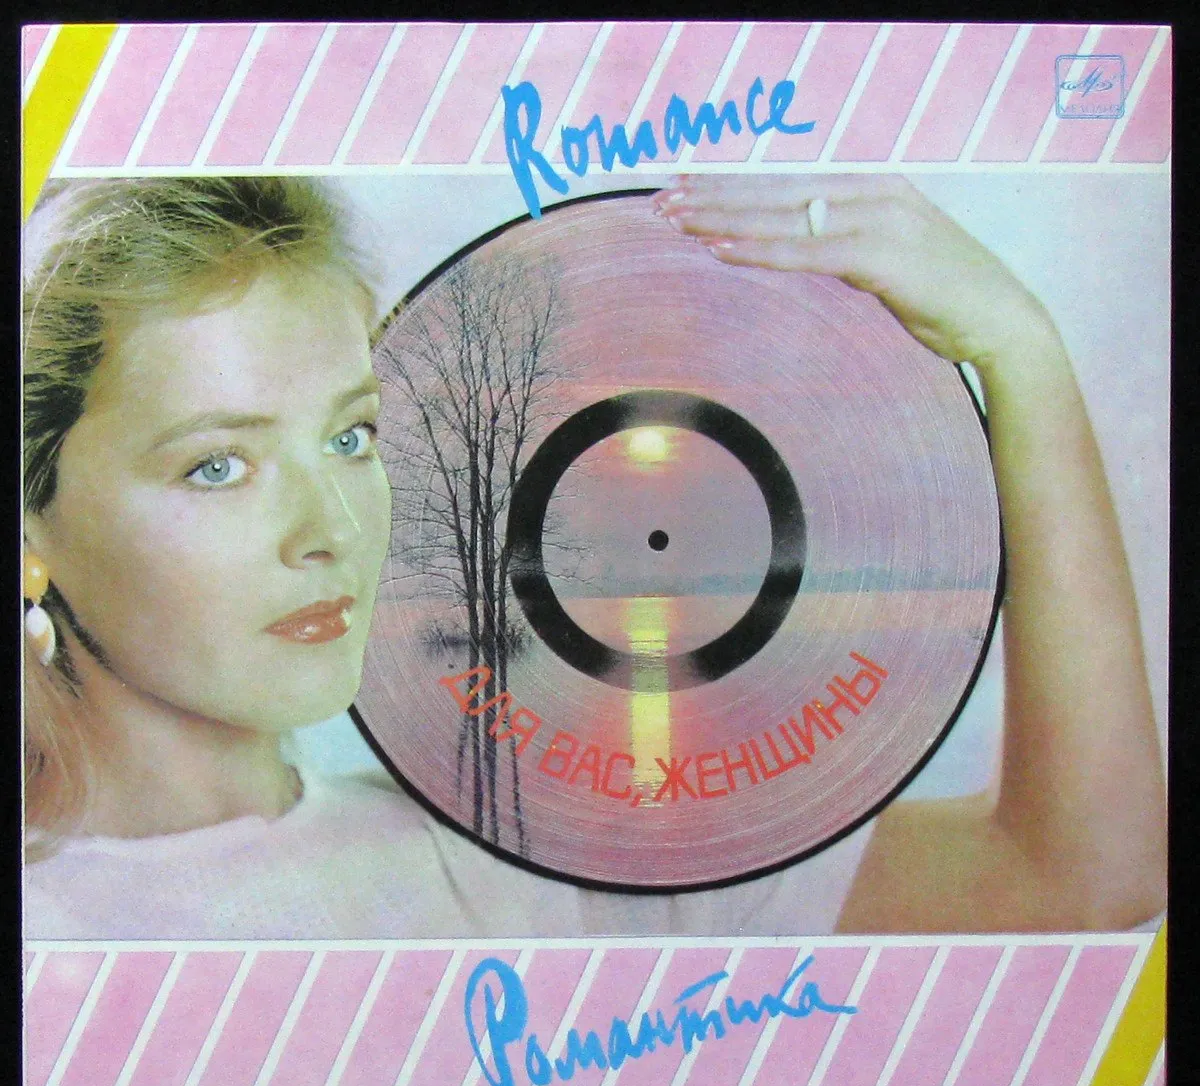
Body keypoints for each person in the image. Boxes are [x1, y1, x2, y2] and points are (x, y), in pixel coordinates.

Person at [21, 175, 1165, 939]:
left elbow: (1080, 876)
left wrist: (1019, 349)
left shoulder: (521, 855)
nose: (332, 527)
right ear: (31, 532)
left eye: (352, 437)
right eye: (216, 465)